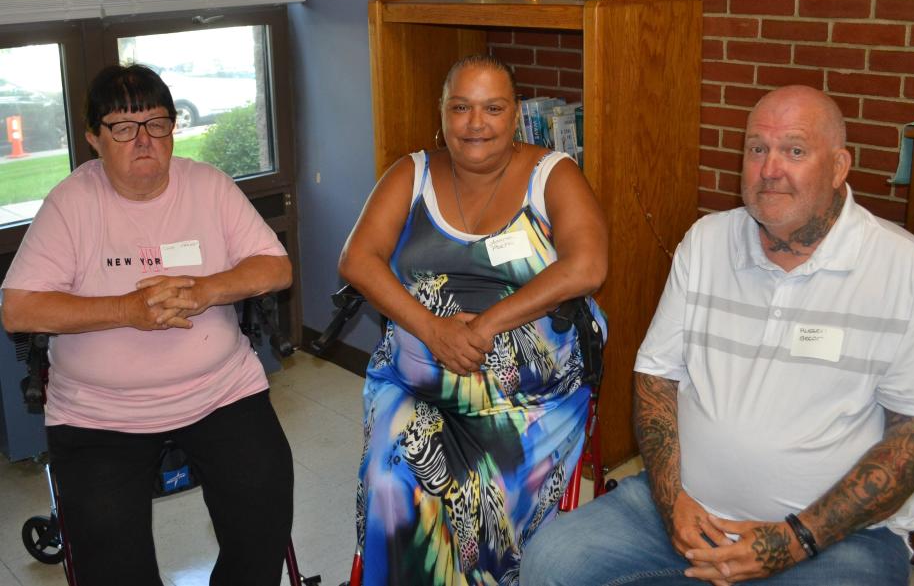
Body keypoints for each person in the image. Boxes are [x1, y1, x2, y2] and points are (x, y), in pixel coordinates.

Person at [520, 85, 914, 586]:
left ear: (839, 167)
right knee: (552, 561)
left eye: (795, 150)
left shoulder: (907, 272)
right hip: (684, 509)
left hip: (838, 538)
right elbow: (656, 379)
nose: (770, 169)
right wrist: (672, 503)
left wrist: (795, 540)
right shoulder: (707, 243)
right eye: (757, 149)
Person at [1, 64, 295, 586]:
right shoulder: (70, 204)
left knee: (262, 515)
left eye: (156, 123)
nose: (143, 139)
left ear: (173, 129)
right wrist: (125, 311)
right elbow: (19, 308)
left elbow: (275, 267)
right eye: (122, 126)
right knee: (112, 562)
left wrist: (206, 290)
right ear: (94, 138)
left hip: (221, 393)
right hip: (99, 415)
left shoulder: (209, 186)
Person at [338, 54, 608, 585]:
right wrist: (433, 329)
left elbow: (589, 265)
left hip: (525, 408)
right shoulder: (410, 174)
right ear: (441, 113)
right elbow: (357, 259)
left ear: (515, 114)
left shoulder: (552, 174)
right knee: (396, 485)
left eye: (492, 108)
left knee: (479, 505)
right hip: (413, 385)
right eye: (460, 107)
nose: (475, 123)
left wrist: (485, 326)